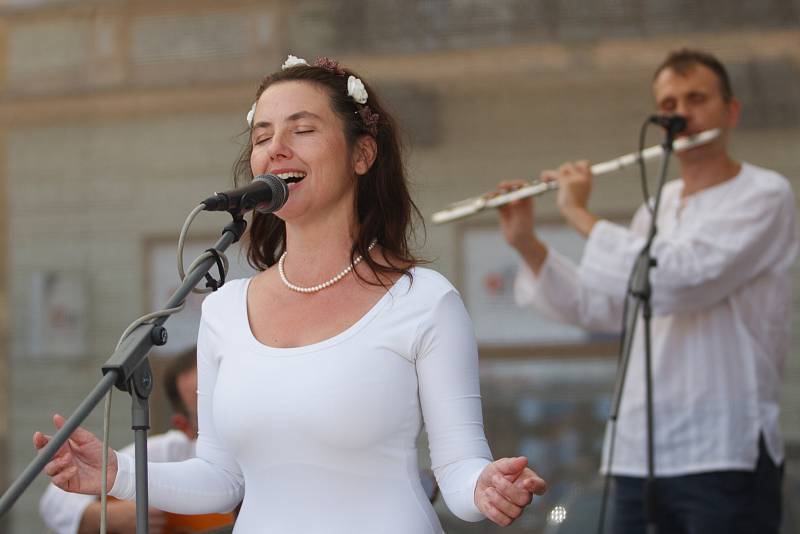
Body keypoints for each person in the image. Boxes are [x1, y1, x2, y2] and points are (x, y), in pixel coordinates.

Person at [34, 54, 547, 533]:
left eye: (302, 129)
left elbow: (457, 469)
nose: (275, 148)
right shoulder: (225, 310)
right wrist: (118, 474)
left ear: (362, 154)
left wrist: (485, 488)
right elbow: (221, 479)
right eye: (262, 136)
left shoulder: (423, 300)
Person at [497, 48, 796, 534]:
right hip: (638, 451)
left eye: (696, 99)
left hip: (722, 452)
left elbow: (682, 281)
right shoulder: (656, 207)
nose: (681, 114)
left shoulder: (765, 195)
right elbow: (604, 306)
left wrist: (578, 215)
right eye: (669, 103)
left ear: (731, 111)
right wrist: (527, 244)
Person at [38, 348, 213, 534]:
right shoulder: (170, 451)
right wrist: (107, 516)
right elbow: (54, 501)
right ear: (185, 426)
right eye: (208, 410)